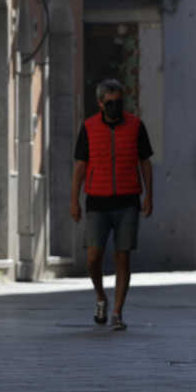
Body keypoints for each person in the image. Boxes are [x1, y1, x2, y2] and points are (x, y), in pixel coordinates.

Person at [70, 79, 154, 331]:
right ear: (100, 104)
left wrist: (149, 195)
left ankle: (117, 312)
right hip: (97, 200)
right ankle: (100, 297)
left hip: (128, 200)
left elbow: (145, 163)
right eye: (110, 103)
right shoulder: (88, 128)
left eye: (119, 102)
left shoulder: (136, 127)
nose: (115, 107)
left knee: (122, 257)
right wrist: (74, 200)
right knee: (93, 258)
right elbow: (80, 166)